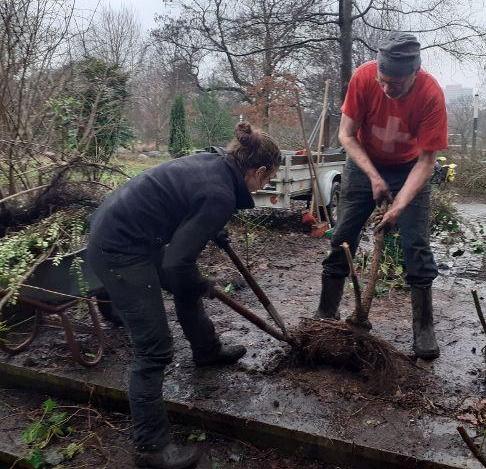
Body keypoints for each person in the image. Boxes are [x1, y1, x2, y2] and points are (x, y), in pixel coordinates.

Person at [87, 122, 280, 469]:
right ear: (260, 170)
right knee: (155, 349)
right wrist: (200, 282)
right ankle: (150, 448)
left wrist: (212, 232)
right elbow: (177, 264)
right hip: (120, 250)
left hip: (127, 231)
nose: (262, 187)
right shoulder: (220, 193)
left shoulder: (216, 162)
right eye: (266, 181)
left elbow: (187, 200)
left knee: (185, 285)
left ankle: (207, 351)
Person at [315, 31, 448, 360]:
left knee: (416, 243)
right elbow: (346, 135)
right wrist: (373, 176)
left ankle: (424, 329)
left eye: (397, 85)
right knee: (342, 235)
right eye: (383, 81)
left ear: (414, 74)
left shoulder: (430, 94)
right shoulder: (363, 77)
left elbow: (427, 161)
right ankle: (325, 315)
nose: (388, 90)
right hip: (363, 163)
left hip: (409, 169)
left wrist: (400, 204)